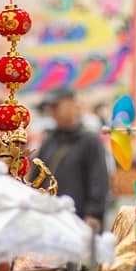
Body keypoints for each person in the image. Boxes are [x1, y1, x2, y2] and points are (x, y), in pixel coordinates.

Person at [33, 87, 109, 231]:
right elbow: (36, 176)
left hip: (78, 222)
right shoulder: (49, 140)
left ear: (72, 105)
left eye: (57, 106)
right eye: (51, 108)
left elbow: (99, 182)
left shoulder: (90, 141)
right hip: (48, 220)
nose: (53, 112)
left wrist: (93, 214)